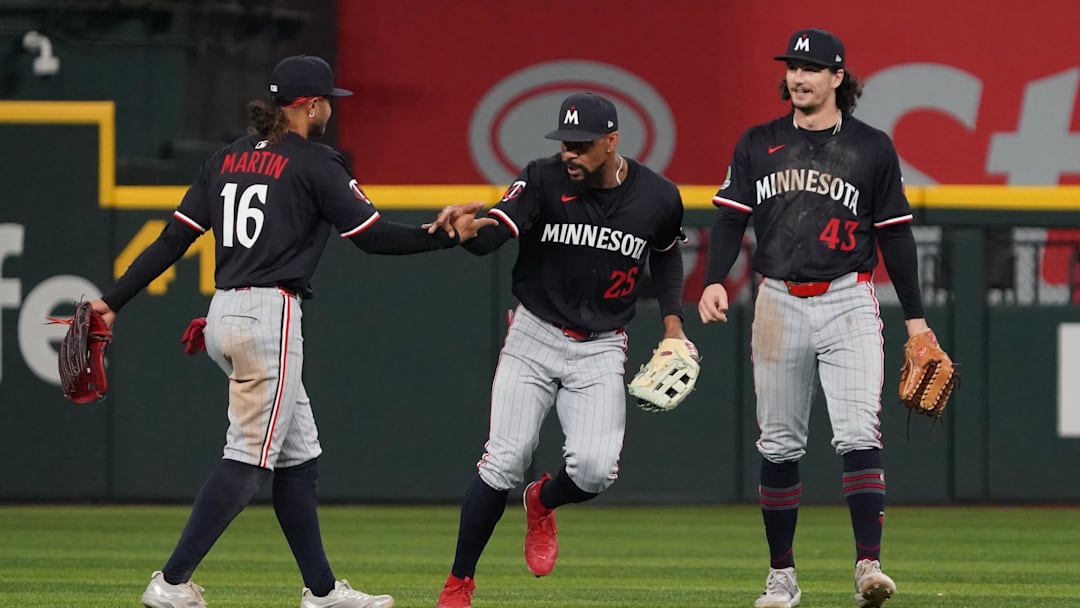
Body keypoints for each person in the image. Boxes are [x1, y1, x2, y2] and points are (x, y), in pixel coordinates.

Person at [90, 55, 488, 608]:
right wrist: (446, 237)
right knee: (249, 458)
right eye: (327, 100)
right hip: (268, 317)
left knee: (298, 454)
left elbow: (170, 241)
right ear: (309, 105)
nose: (330, 108)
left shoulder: (225, 157)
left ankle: (322, 591)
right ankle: (171, 581)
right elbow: (373, 238)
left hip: (226, 309)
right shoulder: (316, 162)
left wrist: (112, 303)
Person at [425, 92, 694, 608]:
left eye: (582, 145)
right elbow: (493, 232)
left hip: (600, 348)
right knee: (502, 461)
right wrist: (465, 234)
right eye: (565, 143)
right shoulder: (541, 178)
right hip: (534, 335)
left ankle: (541, 501)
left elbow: (665, 257)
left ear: (612, 142)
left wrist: (673, 327)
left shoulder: (658, 197)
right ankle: (458, 584)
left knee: (595, 470)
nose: (570, 153)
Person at [698, 28, 934, 608]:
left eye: (810, 68)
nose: (798, 76)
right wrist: (712, 278)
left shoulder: (873, 147)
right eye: (792, 67)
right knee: (779, 444)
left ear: (837, 78)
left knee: (858, 432)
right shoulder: (758, 143)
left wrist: (918, 322)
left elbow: (896, 239)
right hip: (777, 301)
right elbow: (730, 220)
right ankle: (782, 576)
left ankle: (868, 567)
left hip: (849, 299)